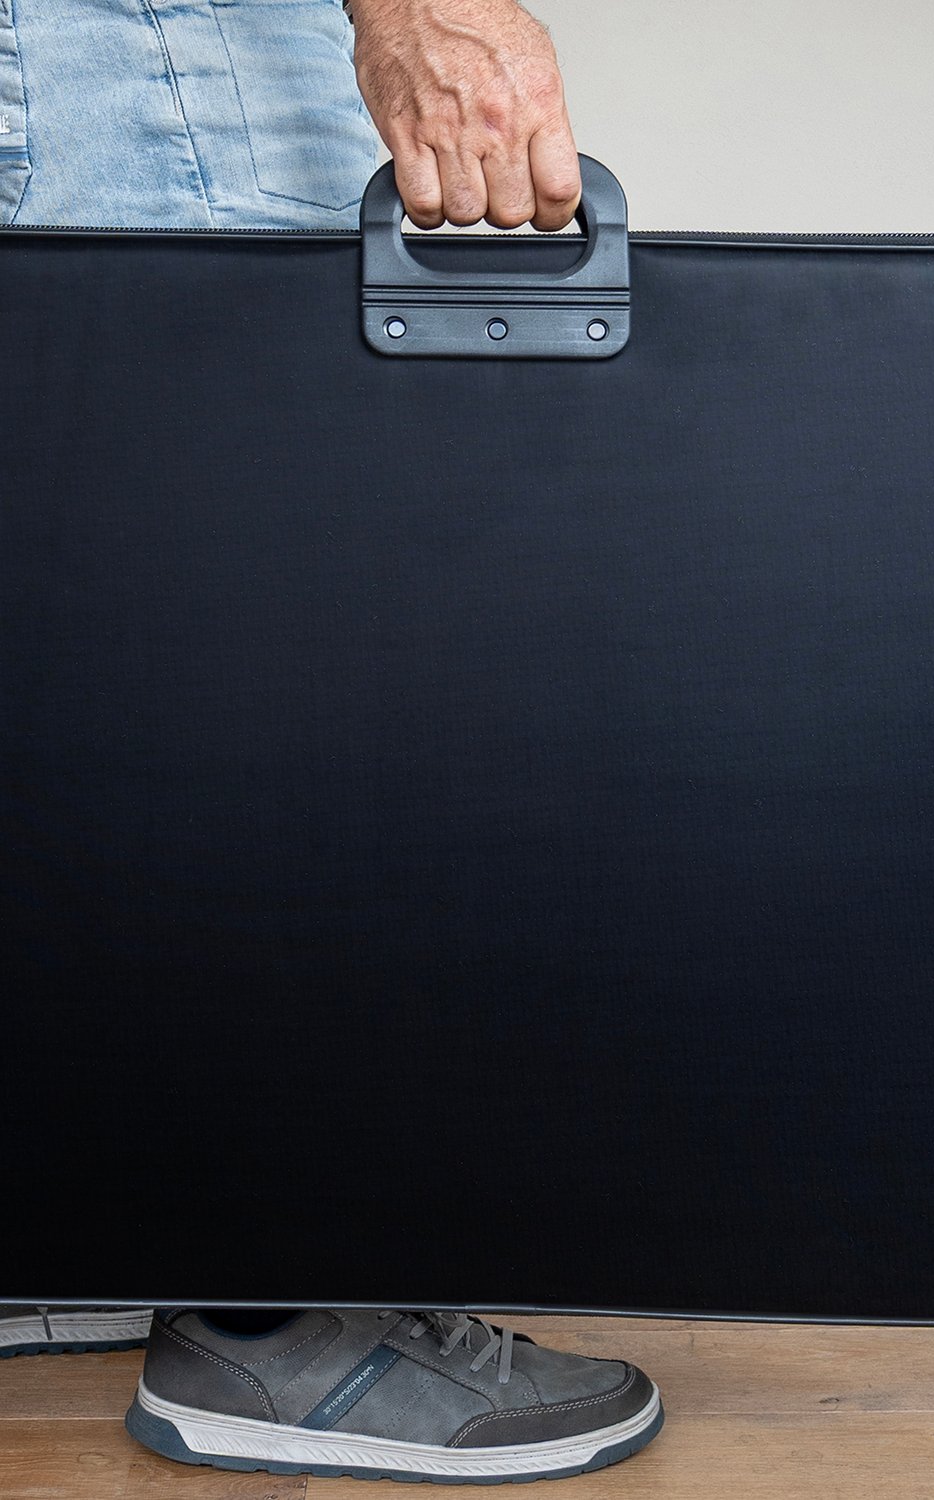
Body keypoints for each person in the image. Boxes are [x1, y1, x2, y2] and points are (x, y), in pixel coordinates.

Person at [0, 0, 662, 1484]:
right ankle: (276, 1321)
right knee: (240, 698)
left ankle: (76, 1221)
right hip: (127, 54)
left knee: (64, 658)